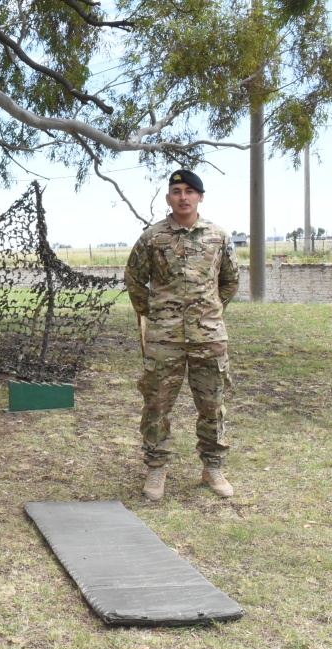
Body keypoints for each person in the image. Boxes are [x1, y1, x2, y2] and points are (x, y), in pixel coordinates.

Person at [123, 169, 239, 501]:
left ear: (201, 197)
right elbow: (134, 279)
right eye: (176, 190)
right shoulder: (153, 238)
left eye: (190, 191)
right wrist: (155, 313)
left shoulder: (218, 236)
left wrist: (211, 311)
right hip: (165, 339)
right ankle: (156, 468)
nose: (183, 197)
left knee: (212, 404)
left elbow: (230, 281)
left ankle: (212, 467)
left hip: (209, 337)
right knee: (156, 404)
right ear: (168, 198)